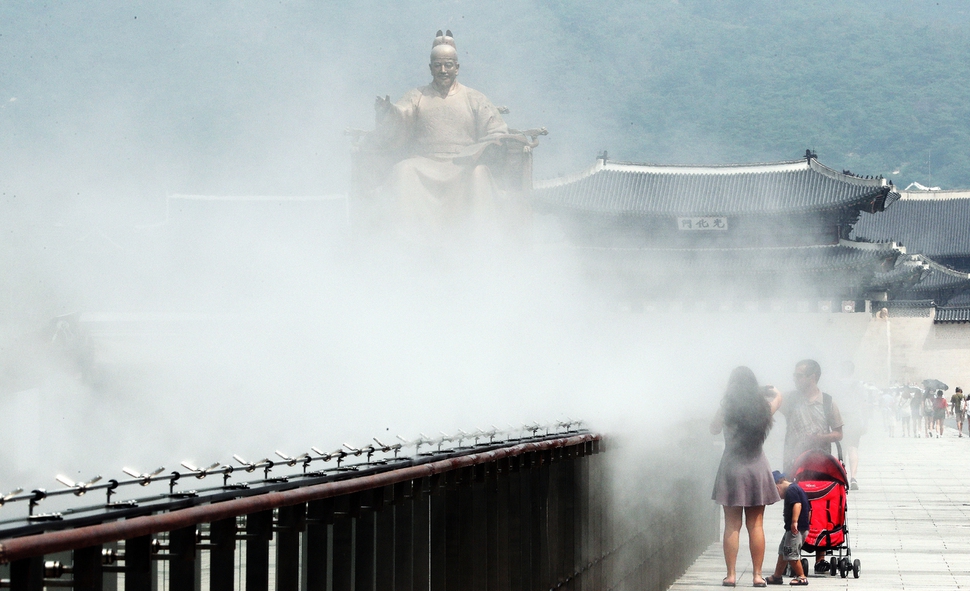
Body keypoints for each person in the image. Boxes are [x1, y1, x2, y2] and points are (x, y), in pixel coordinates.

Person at [373, 30, 511, 241]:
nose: (443, 70)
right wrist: (387, 111)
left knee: (479, 174)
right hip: (425, 162)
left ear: (457, 67)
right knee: (403, 169)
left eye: (448, 65)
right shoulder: (417, 96)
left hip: (464, 165)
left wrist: (480, 149)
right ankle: (405, 238)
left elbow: (498, 131)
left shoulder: (474, 98)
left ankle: (481, 239)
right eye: (438, 65)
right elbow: (401, 116)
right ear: (430, 68)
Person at [711, 366, 782, 587]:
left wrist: (726, 396)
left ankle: (731, 575)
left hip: (732, 466)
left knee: (732, 525)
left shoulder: (727, 408)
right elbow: (779, 396)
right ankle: (757, 575)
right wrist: (769, 390)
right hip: (756, 466)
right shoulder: (762, 408)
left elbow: (713, 429)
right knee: (756, 525)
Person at [780, 359, 843, 574]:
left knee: (820, 505)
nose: (795, 379)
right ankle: (792, 553)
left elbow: (838, 433)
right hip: (794, 462)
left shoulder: (827, 402)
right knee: (793, 508)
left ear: (813, 377)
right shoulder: (790, 400)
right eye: (795, 375)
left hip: (820, 462)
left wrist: (819, 437)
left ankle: (821, 557)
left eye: (800, 375)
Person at [764, 471, 811, 586]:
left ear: (777, 486)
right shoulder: (796, 488)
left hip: (795, 529)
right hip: (799, 528)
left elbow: (797, 505)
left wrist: (795, 521)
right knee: (783, 552)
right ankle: (777, 576)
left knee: (791, 553)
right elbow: (809, 509)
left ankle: (801, 577)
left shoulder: (791, 491)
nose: (778, 497)